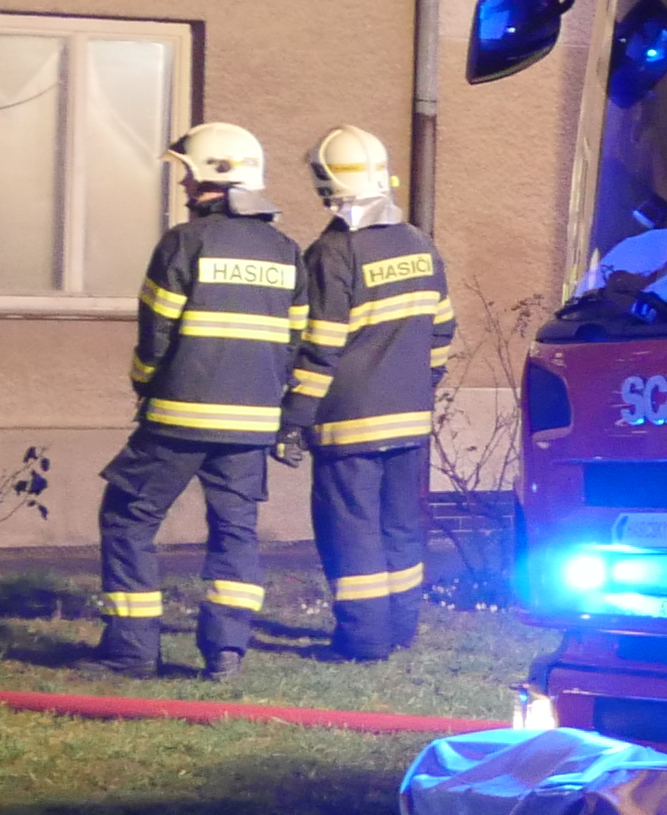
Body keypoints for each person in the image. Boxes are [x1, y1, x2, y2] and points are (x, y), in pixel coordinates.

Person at [99, 123, 299, 681]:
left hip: (177, 418)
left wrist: (144, 382)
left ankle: (132, 652)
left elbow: (154, 334)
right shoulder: (286, 251)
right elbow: (296, 341)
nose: (184, 185)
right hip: (252, 424)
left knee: (128, 516)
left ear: (215, 175)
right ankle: (226, 652)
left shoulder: (184, 243)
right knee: (235, 531)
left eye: (189, 173)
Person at [283, 125, 454, 660]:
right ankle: (401, 629)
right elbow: (442, 330)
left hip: (346, 420)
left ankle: (362, 639)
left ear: (327, 184)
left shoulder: (332, 254)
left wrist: (295, 417)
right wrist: (417, 390)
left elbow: (320, 346)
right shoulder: (420, 245)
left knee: (350, 530)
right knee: (400, 526)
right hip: (409, 420)